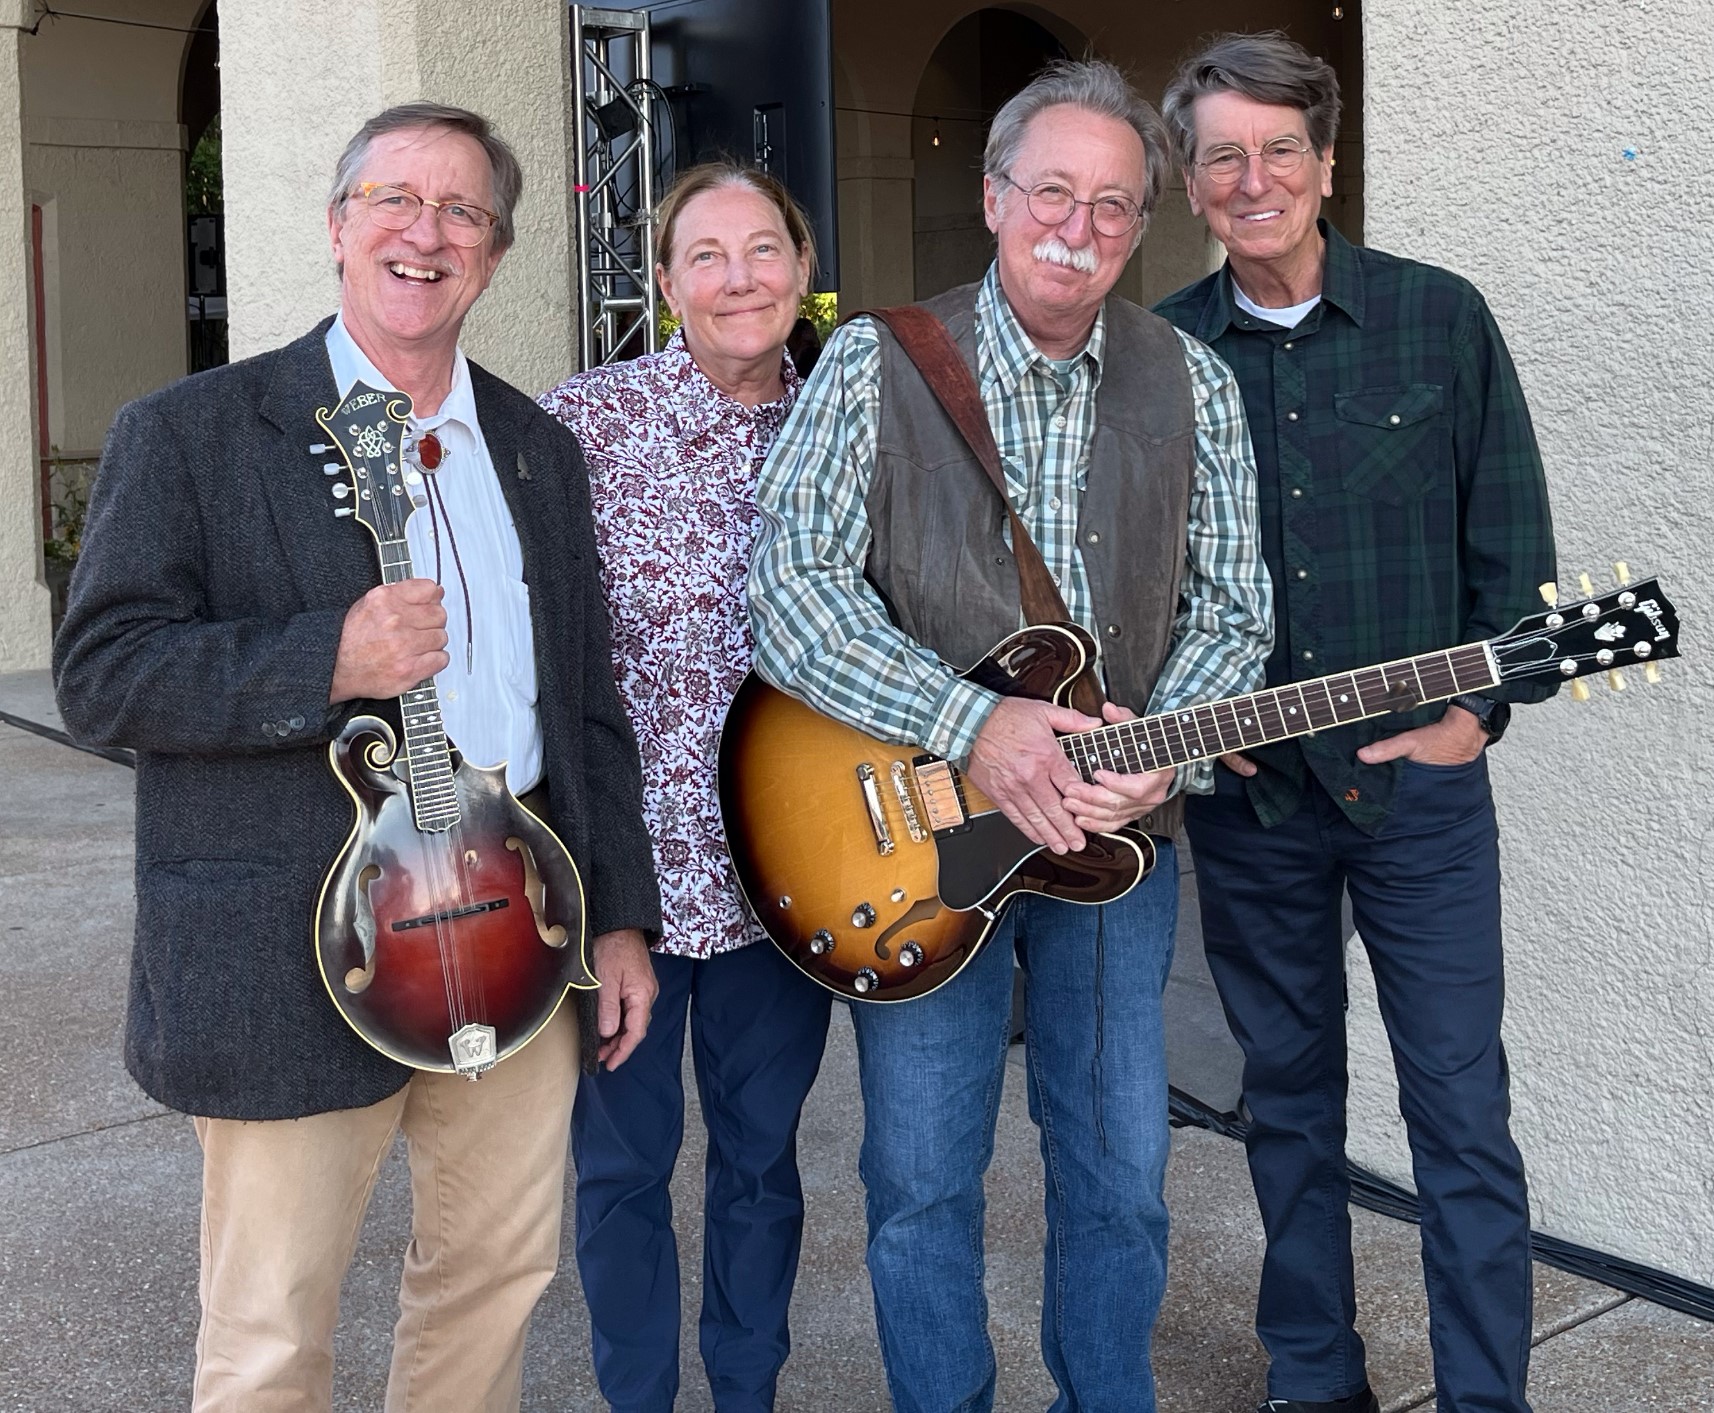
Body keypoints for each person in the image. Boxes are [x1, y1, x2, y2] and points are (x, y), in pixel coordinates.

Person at [52, 102, 662, 1412]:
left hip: (515, 934)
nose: (423, 234)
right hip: (289, 954)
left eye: (461, 214)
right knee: (272, 1328)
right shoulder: (197, 433)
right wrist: (323, 658)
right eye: (394, 200)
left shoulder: (537, 451)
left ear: (493, 256)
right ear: (337, 226)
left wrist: (617, 922)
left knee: (492, 1283)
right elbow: (102, 679)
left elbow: (587, 707)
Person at [748, 59, 1273, 1413]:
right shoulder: (876, 360)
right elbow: (787, 593)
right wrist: (973, 725)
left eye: (1112, 205)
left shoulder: (1195, 384)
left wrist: (1162, 740)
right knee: (920, 1181)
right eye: (1052, 192)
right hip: (914, 844)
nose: (1078, 229)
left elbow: (1234, 606)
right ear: (992, 198)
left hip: (1115, 850)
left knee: (1119, 1174)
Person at [1155, 33, 1557, 1413]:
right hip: (1250, 809)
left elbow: (1516, 563)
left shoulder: (1439, 318)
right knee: (1284, 1112)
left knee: (1456, 1115)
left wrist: (1474, 719)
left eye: (1278, 149)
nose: (1251, 178)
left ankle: (1484, 1395)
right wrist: (1186, 718)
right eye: (1221, 156)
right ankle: (1314, 1378)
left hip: (1423, 805)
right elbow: (1126, 587)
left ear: (1326, 164)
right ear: (1189, 184)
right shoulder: (1155, 356)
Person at [539, 163, 833, 1413]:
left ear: (802, 269)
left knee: (762, 1162)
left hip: (797, 866)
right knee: (622, 1168)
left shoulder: (850, 423)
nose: (736, 280)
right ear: (663, 283)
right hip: (630, 884)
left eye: (761, 250)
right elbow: (549, 671)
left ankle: (747, 1393)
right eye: (703, 256)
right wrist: (600, 898)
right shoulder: (585, 425)